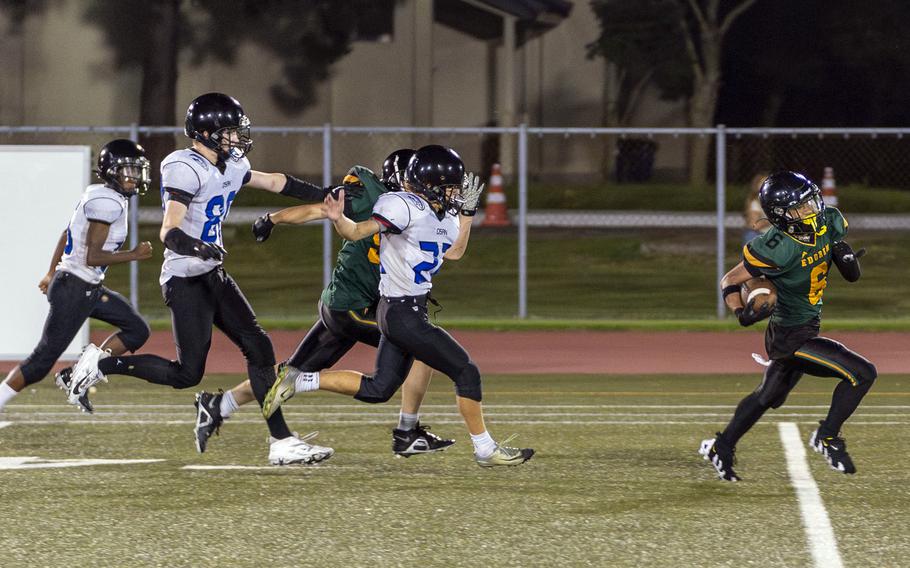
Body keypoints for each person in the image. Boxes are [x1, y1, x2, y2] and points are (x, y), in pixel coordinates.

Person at [66, 92, 332, 465]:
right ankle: (101, 364)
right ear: (206, 134)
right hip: (184, 277)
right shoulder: (183, 166)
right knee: (186, 373)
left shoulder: (232, 163)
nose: (237, 139)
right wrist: (195, 246)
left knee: (259, 348)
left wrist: (327, 194)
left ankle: (282, 441)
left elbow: (274, 182)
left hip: (213, 273)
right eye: (229, 132)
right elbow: (168, 230)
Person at [262, 144, 534, 468]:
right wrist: (339, 219)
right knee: (465, 370)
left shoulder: (444, 216)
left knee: (380, 389)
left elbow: (455, 252)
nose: (455, 193)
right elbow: (357, 231)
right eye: (449, 187)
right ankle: (485, 449)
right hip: (399, 311)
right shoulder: (402, 206)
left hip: (407, 310)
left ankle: (300, 380)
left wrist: (467, 216)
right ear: (428, 186)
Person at [194, 149, 458, 458]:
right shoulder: (380, 200)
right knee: (422, 345)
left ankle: (219, 405)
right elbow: (322, 210)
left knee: (291, 373)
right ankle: (406, 432)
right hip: (351, 305)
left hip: (350, 303)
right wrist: (273, 218)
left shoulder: (415, 210)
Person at [700, 171, 876, 481]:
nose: (812, 210)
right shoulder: (775, 246)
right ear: (781, 216)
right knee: (862, 374)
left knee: (769, 397)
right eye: (802, 208)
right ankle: (827, 437)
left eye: (811, 202)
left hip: (807, 325)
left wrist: (847, 258)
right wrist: (741, 311)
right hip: (789, 336)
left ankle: (722, 446)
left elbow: (851, 274)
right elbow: (729, 280)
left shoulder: (828, 222)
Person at [0, 139, 153, 414]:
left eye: (136, 171)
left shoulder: (103, 195)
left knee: (137, 329)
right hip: (75, 288)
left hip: (85, 286)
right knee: (41, 361)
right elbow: (91, 257)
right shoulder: (107, 202)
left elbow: (66, 233)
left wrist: (51, 271)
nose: (134, 177)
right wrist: (134, 254)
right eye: (128, 171)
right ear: (112, 172)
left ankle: (77, 374)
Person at [743, 172, 772, 244]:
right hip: (762, 234)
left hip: (776, 234)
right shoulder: (755, 203)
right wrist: (772, 219)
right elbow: (754, 226)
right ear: (757, 187)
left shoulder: (777, 200)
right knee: (751, 235)